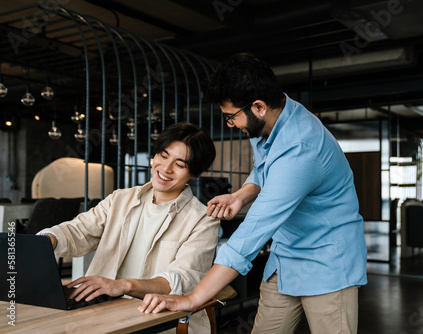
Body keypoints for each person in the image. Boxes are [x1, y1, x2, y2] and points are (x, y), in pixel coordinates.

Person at [139, 53, 367, 334]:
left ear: (258, 106)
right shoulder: (271, 122)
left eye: (231, 117)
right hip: (285, 257)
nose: (231, 125)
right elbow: (264, 170)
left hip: (327, 263)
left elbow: (252, 234)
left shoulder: (300, 148)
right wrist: (241, 195)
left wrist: (193, 299)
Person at [38, 122, 220, 333]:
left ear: (194, 173)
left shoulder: (203, 220)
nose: (166, 169)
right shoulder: (120, 199)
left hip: (160, 321)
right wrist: (48, 240)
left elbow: (179, 279)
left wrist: (124, 285)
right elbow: (78, 230)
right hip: (103, 313)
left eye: (180, 164)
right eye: (163, 155)